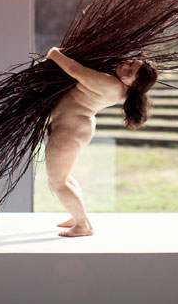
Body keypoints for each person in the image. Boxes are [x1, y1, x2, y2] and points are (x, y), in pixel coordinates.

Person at [44, 46, 158, 237]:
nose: (125, 67)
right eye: (130, 63)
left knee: (58, 181)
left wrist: (54, 53)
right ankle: (77, 216)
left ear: (133, 84)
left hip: (71, 129)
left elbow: (75, 71)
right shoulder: (116, 84)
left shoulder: (111, 85)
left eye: (130, 72)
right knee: (64, 177)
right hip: (74, 126)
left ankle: (83, 225)